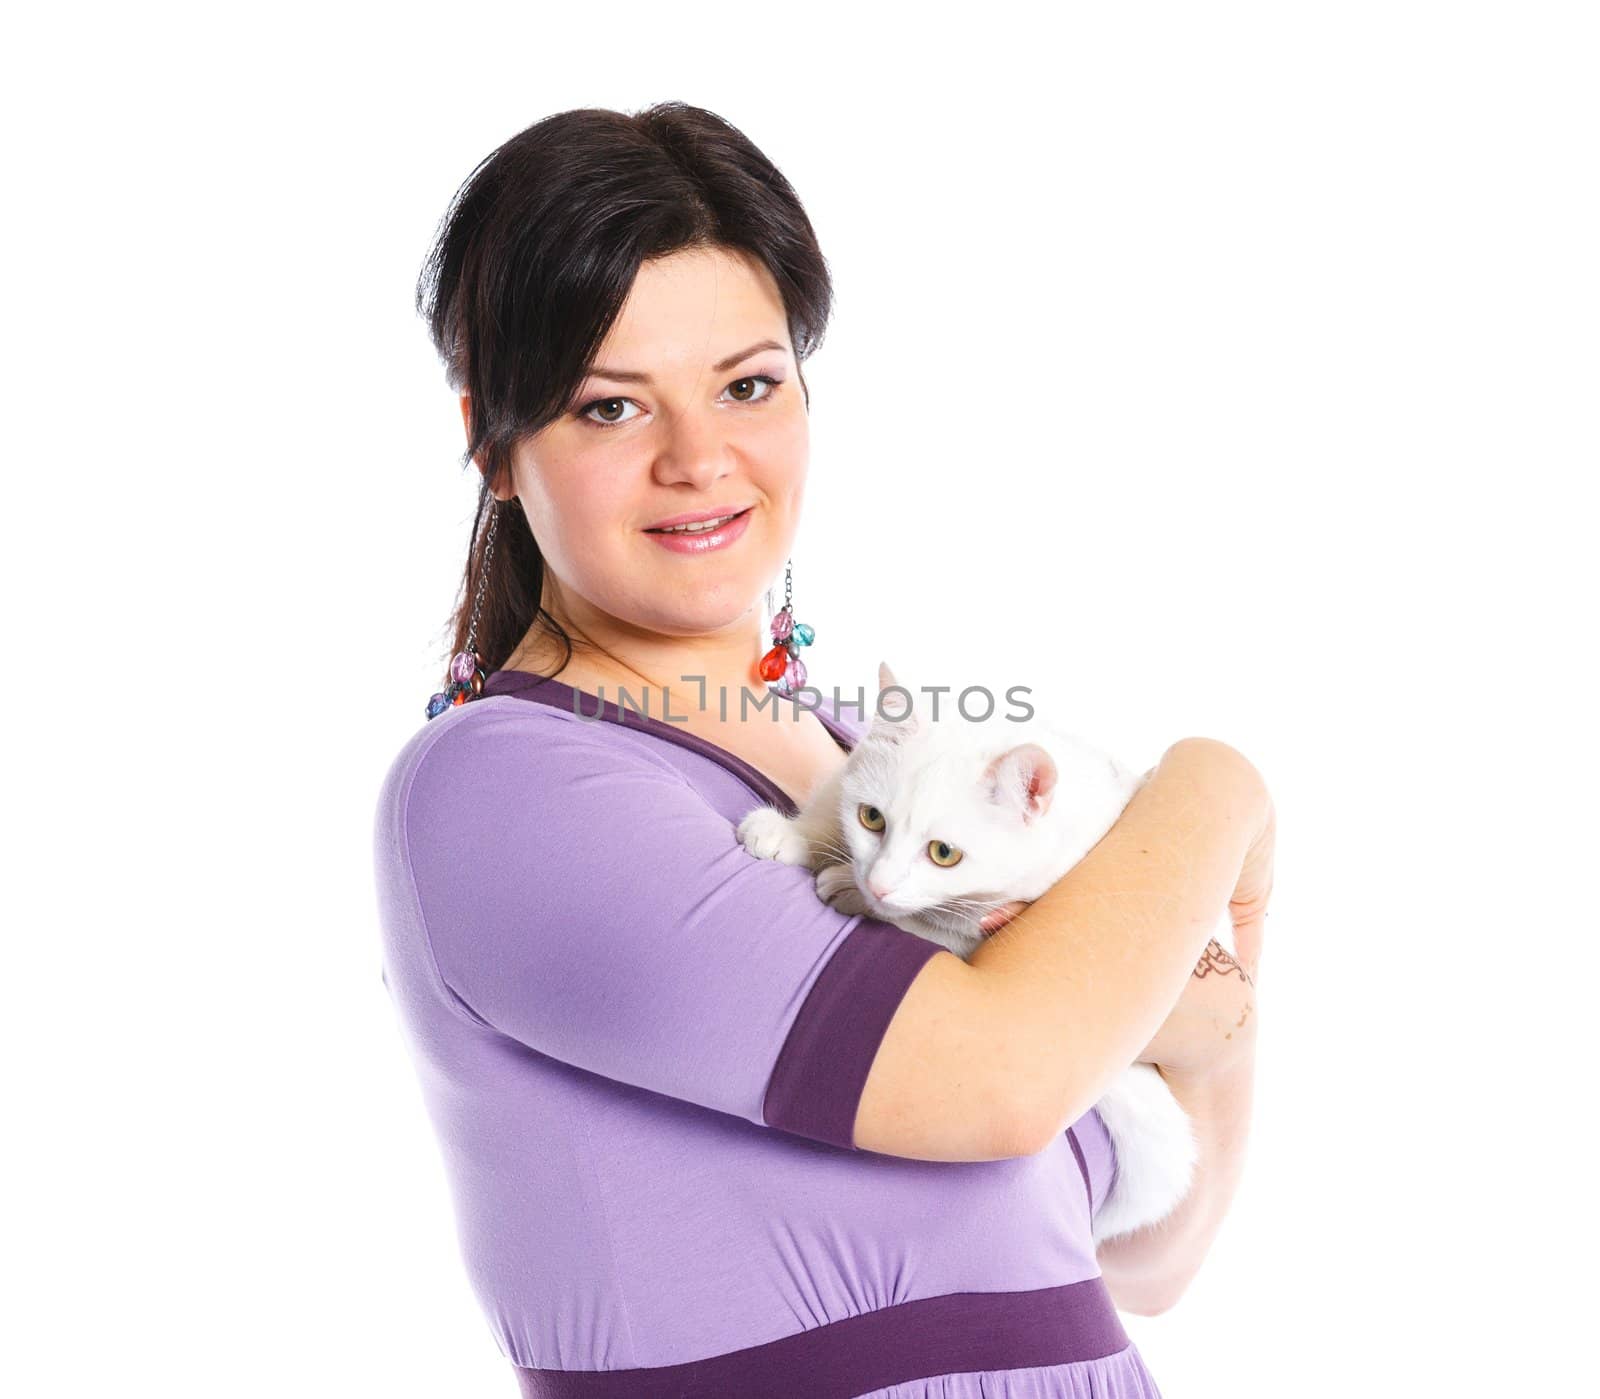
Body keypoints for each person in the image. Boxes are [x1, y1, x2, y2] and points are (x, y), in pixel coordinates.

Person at [373, 101, 1275, 1398]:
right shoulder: (506, 792)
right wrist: (1217, 792)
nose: (701, 460)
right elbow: (1004, 1079)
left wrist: (1204, 1036)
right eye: (611, 408)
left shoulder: (874, 773)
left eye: (749, 385)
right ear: (491, 443)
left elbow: (1144, 1260)